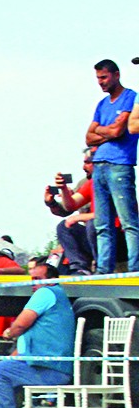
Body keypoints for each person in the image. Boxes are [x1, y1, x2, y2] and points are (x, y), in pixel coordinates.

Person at [0, 263, 75, 408]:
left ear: (52, 280)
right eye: (33, 279)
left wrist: (9, 333)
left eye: (38, 279)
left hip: (51, 369)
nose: (34, 284)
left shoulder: (45, 293)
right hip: (53, 366)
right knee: (7, 369)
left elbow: (21, 324)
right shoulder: (58, 296)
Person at [88, 59, 139, 273]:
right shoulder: (102, 104)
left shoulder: (129, 97)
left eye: (104, 77)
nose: (100, 82)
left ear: (116, 75)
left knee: (129, 222)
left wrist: (103, 131)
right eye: (98, 78)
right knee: (102, 225)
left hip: (120, 165)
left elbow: (119, 131)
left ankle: (134, 268)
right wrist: (106, 132)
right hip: (98, 166)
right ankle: (103, 270)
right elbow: (88, 137)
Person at [44, 148, 101, 275]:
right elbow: (68, 208)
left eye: (88, 162)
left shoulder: (114, 182)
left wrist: (78, 218)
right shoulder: (86, 183)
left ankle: (101, 266)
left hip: (111, 236)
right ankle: (79, 267)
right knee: (64, 227)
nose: (83, 167)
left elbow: (110, 215)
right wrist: (56, 198)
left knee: (93, 223)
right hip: (91, 237)